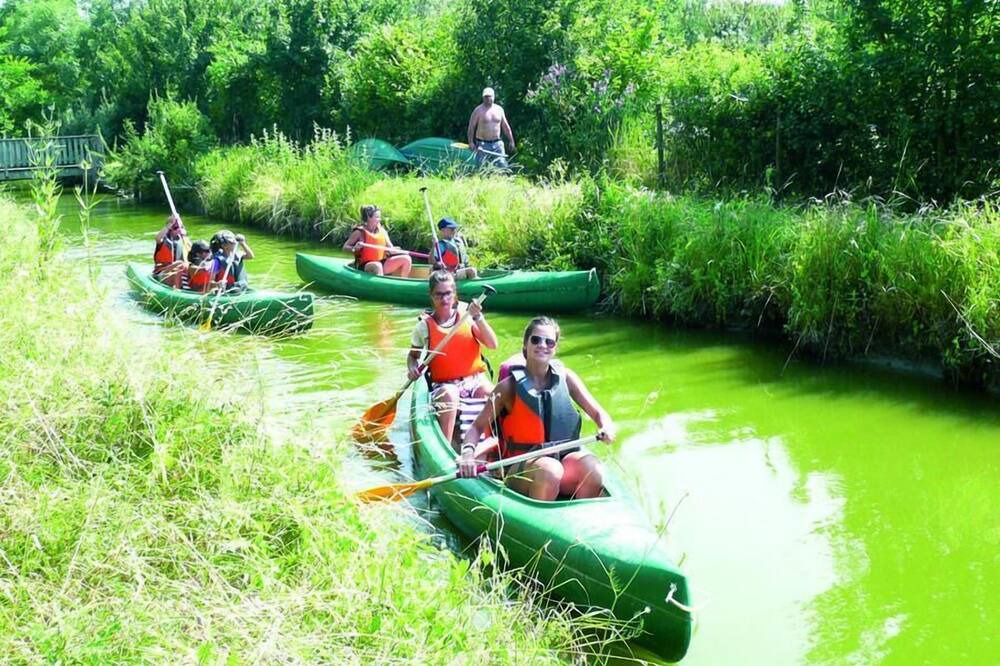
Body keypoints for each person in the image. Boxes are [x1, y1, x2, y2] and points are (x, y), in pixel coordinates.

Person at [458, 317, 617, 501]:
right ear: (525, 345)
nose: (543, 345)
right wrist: (468, 453)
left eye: (549, 341)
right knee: (550, 469)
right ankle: (543, 521)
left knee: (592, 467)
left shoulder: (566, 378)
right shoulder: (507, 387)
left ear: (555, 348)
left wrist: (606, 426)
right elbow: (476, 427)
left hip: (563, 460)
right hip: (520, 467)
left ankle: (580, 516)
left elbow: (598, 413)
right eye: (536, 339)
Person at [408, 271, 498, 445]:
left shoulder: (468, 315)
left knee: (491, 394)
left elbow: (493, 344)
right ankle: (446, 450)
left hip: (474, 379)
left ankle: (491, 450)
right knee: (450, 395)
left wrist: (478, 317)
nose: (444, 299)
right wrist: (412, 367)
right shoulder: (423, 327)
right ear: (431, 296)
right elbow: (413, 356)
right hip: (444, 384)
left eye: (448, 293)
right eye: (439, 294)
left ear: (454, 294)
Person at [343, 205, 412, 277]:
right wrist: (354, 248)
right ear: (369, 217)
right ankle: (381, 286)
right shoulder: (359, 232)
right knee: (377, 266)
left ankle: (402, 283)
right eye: (377, 217)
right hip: (365, 265)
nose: (379, 219)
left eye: (379, 217)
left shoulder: (382, 231)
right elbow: (345, 247)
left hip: (381, 262)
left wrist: (400, 251)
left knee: (406, 259)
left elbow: (390, 249)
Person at [467, 87, 514, 169]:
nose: (488, 99)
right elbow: (471, 127)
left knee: (502, 167)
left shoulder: (499, 110)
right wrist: (471, 142)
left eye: (490, 96)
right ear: (483, 98)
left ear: (494, 97)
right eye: (486, 97)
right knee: (481, 168)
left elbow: (505, 126)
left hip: (497, 144)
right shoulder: (478, 111)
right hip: (482, 145)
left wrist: (511, 141)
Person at [152, 214, 188, 288]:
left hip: (177, 272)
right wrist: (169, 224)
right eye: (175, 228)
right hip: (162, 273)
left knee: (183, 266)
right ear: (170, 229)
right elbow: (157, 238)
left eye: (179, 227)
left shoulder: (182, 240)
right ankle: (177, 291)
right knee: (179, 264)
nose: (177, 230)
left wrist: (185, 235)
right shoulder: (163, 239)